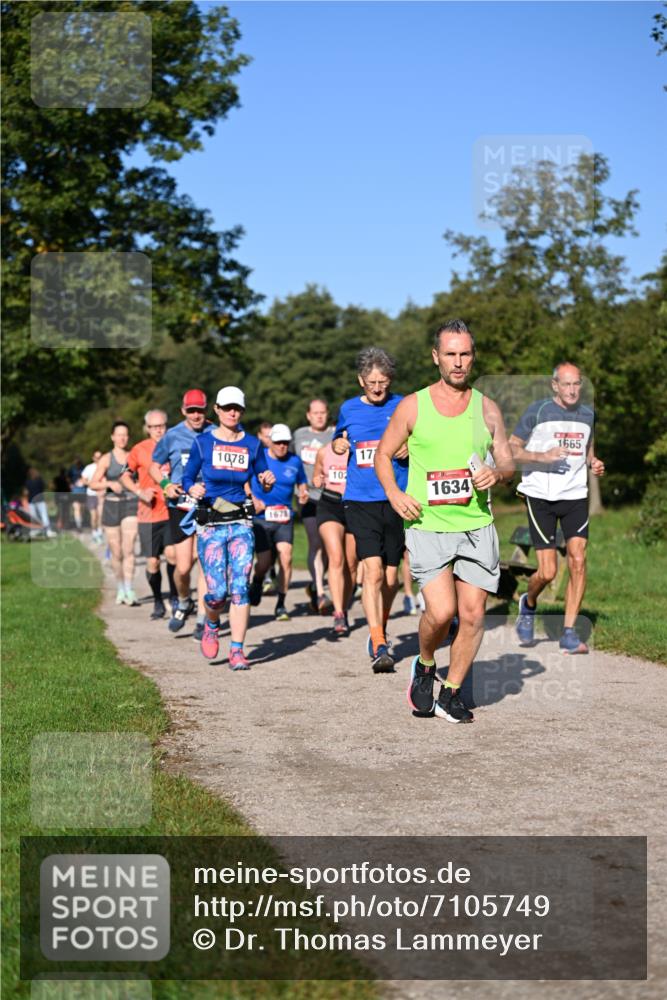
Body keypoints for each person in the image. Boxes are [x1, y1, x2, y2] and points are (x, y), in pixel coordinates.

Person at [375, 318, 514, 723]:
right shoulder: (412, 405)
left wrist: (498, 474)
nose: (458, 362)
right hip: (428, 524)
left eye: (465, 354)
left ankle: (451, 692)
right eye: (450, 354)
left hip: (475, 525)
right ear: (436, 357)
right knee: (440, 612)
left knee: (472, 614)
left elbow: (505, 461)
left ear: (473, 356)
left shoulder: (487, 408)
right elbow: (383, 455)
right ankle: (424, 663)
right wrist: (395, 494)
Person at [510, 362, 604, 654]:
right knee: (548, 571)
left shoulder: (588, 415)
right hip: (540, 495)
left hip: (575, 495)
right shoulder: (537, 412)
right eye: (566, 384)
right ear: (555, 386)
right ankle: (529, 602)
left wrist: (594, 463)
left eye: (577, 384)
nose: (573, 390)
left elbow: (589, 452)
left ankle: (568, 632)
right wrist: (543, 455)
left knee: (578, 560)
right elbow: (512, 449)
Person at [182, 386, 275, 668]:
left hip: (241, 523)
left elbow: (263, 478)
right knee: (216, 593)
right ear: (218, 411)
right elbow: (187, 478)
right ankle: (211, 623)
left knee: (240, 589)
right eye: (227, 407)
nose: (233, 412)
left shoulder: (252, 445)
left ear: (242, 411)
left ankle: (237, 650)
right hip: (211, 524)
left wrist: (267, 481)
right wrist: (193, 487)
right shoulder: (202, 443)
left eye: (238, 408)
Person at [332, 347, 408, 673]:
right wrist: (338, 444)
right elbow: (338, 439)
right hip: (360, 498)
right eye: (372, 382)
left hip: (396, 498)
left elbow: (420, 441)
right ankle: (378, 642)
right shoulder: (348, 408)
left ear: (390, 380)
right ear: (361, 380)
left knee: (391, 578)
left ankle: (381, 626)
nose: (378, 388)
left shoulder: (403, 406)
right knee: (373, 572)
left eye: (383, 381)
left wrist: (408, 448)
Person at [149, 389, 210, 636]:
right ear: (183, 411)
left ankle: (202, 620)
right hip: (180, 506)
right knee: (183, 567)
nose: (196, 415)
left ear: (207, 410)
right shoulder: (172, 436)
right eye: (191, 410)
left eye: (200, 410)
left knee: (205, 563)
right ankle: (184, 602)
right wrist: (166, 485)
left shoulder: (215, 433)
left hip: (208, 505)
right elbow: (154, 466)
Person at [121, 410, 178, 620]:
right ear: (147, 428)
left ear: (167, 425)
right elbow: (125, 476)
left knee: (173, 555)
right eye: (154, 427)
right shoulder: (139, 449)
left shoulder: (175, 445)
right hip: (148, 514)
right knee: (152, 562)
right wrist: (139, 491)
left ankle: (174, 596)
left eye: (161, 425)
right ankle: (157, 601)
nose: (158, 430)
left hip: (171, 510)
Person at [248, 424, 309, 621]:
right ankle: (257, 581)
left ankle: (281, 604)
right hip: (262, 518)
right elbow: (245, 479)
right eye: (278, 442)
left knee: (286, 557)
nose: (282, 446)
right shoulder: (259, 458)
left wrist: (303, 492)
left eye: (285, 442)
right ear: (270, 442)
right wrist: (253, 499)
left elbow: (302, 481)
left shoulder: (295, 461)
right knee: (264, 562)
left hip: (284, 518)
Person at [90, 421, 140, 605]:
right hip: (111, 506)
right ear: (112, 437)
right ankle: (120, 587)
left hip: (130, 505)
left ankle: (129, 588)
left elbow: (141, 478)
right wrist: (109, 484)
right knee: (116, 551)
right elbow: (93, 483)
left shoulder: (133, 456)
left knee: (129, 549)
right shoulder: (106, 459)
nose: (122, 438)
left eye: (125, 434)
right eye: (119, 434)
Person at [293, 399, 334, 613]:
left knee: (330, 547)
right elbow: (290, 462)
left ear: (327, 414)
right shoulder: (299, 435)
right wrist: (298, 488)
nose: (319, 416)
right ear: (308, 415)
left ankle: (318, 582)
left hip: (330, 497)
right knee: (315, 543)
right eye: (315, 413)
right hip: (308, 497)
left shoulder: (335, 435)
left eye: (322, 412)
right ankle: (319, 592)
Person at [313, 441, 357, 636]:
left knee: (352, 564)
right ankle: (338, 613)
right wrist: (317, 479)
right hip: (329, 505)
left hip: (355, 506)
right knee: (336, 558)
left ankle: (345, 608)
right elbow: (316, 475)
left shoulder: (359, 450)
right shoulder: (324, 451)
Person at [81, 450, 104, 543]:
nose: (98, 459)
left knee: (101, 515)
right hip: (91, 494)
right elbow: (83, 480)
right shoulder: (89, 468)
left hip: (102, 494)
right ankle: (94, 532)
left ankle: (99, 533)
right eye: (97, 457)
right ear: (93, 458)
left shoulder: (105, 467)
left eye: (100, 457)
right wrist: (91, 484)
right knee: (94, 516)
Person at [25, 467, 55, 535]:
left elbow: (26, 492)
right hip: (40, 500)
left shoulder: (27, 482)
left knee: (33, 517)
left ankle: (34, 530)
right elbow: (42, 489)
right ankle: (48, 531)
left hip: (31, 501)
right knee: (44, 516)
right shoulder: (39, 481)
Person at [69, 457, 86, 532]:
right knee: (76, 508)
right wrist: (71, 484)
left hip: (83, 491)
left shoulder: (84, 468)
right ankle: (79, 525)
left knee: (82, 509)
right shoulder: (72, 469)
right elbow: (68, 478)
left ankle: (81, 521)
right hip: (75, 491)